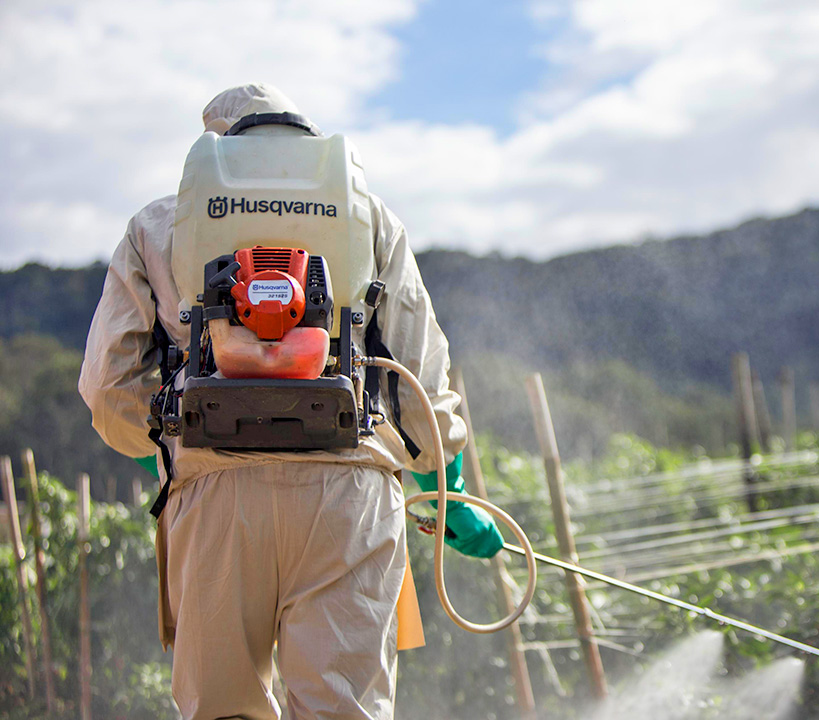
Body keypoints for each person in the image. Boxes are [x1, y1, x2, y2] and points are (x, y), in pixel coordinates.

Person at [79, 83, 503, 720]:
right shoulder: (369, 218)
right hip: (349, 499)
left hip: (216, 495)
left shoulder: (158, 225)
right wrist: (452, 493)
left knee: (225, 711)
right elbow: (422, 388)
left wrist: (168, 451)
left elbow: (110, 392)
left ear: (218, 150)